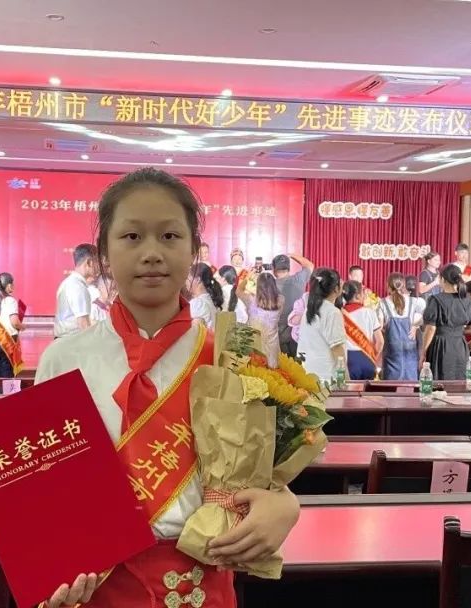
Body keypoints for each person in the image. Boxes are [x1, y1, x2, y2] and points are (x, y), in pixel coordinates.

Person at [35, 168, 299, 608]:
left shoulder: (231, 357)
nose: (152, 253)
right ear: (104, 254)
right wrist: (47, 567)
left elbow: (260, 475)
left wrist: (285, 505)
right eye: (132, 237)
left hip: (200, 585)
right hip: (95, 586)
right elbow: (41, 490)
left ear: (194, 250)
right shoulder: (62, 360)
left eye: (170, 236)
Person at [420, 265, 471, 381]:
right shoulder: (469, 301)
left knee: (440, 382)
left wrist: (423, 351)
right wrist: (457, 331)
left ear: (442, 279)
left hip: (440, 345)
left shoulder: (435, 300)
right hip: (460, 346)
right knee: (459, 381)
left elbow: (431, 328)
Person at [297, 268, 346, 384]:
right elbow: (337, 349)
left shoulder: (309, 309)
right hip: (326, 378)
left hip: (307, 374)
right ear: (336, 289)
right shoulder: (332, 312)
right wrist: (343, 378)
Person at [380, 273, 425, 381]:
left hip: (392, 351)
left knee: (391, 387)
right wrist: (415, 326)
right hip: (410, 350)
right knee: (410, 385)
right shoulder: (414, 301)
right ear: (404, 285)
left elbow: (380, 327)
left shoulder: (383, 303)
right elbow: (424, 317)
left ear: (388, 286)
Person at [236, 273, 283, 367]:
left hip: (254, 344)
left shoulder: (250, 300)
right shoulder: (281, 300)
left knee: (255, 370)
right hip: (272, 345)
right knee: (273, 371)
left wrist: (247, 278)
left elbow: (238, 291)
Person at [273, 252, 315, 358]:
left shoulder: (269, 285)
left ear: (274, 270)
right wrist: (291, 255)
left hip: (277, 335)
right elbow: (310, 265)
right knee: (300, 365)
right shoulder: (299, 279)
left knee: (282, 365)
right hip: (297, 333)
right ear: (288, 268)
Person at [54, 244, 98, 338]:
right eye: (97, 262)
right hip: (71, 341)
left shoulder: (70, 282)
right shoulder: (77, 286)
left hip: (65, 340)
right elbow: (83, 323)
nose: (99, 267)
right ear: (89, 262)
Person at [339, 280, 380, 381]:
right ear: (357, 296)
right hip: (367, 358)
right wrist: (372, 358)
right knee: (368, 391)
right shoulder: (370, 313)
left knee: (348, 390)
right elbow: (380, 341)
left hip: (348, 359)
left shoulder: (338, 314)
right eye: (363, 293)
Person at [0, 272, 24, 378]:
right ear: (9, 286)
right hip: (7, 340)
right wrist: (22, 326)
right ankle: (7, 389)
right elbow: (15, 322)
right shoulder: (10, 301)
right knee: (8, 371)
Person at [187, 262, 223, 330]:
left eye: (188, 278)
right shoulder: (212, 300)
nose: (186, 282)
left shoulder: (197, 303)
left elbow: (194, 333)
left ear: (198, 280)